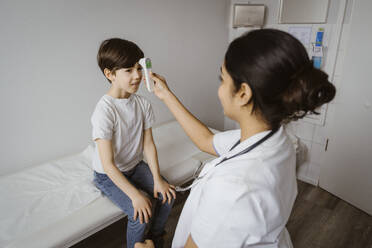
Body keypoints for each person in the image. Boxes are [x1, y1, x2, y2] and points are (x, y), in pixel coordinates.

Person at [150, 29, 336, 248]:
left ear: (243, 94)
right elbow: (206, 140)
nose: (219, 90)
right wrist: (166, 95)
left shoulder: (234, 188)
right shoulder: (277, 140)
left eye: (223, 80)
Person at [90, 38, 176, 248]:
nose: (137, 75)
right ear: (109, 74)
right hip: (108, 175)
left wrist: (157, 179)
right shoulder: (105, 111)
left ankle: (155, 237)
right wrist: (135, 195)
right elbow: (108, 165)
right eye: (129, 70)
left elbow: (148, 145)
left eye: (138, 68)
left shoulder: (142, 104)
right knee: (140, 213)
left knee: (167, 196)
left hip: (134, 166)